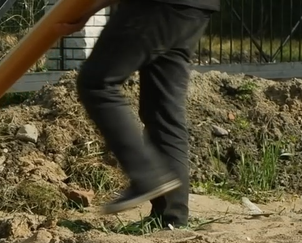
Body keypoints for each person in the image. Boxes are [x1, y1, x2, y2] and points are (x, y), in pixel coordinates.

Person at [58, 0, 218, 228]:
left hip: (153, 6)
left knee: (96, 83)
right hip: (196, 8)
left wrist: (85, 9)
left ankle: (146, 175)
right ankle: (171, 221)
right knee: (163, 112)